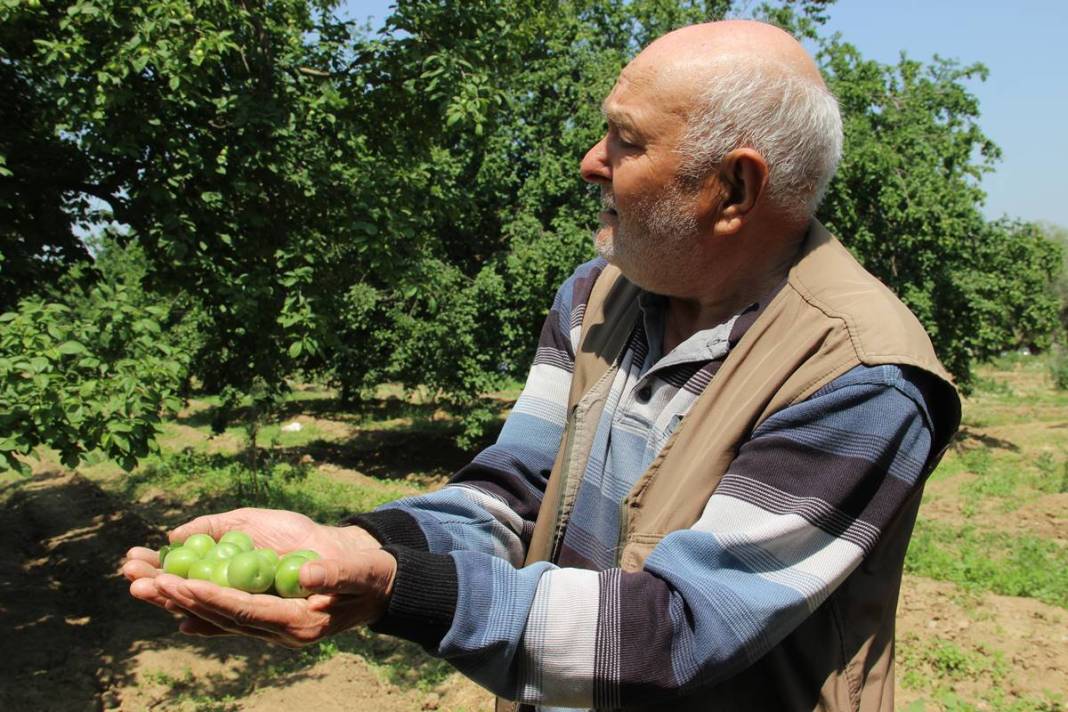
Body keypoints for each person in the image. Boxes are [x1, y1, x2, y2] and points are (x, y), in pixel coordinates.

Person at [124, 19, 960, 712]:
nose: (591, 161)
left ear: (733, 190)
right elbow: (514, 491)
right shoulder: (598, 297)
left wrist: (393, 590)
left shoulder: (859, 376)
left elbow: (681, 629)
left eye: (625, 141)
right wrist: (354, 543)